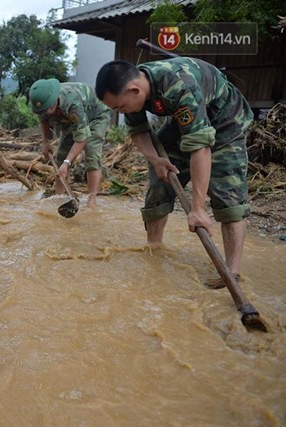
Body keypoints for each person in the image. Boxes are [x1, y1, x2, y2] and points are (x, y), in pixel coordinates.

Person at [94, 58, 253, 281]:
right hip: (184, 120)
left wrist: (197, 209)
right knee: (160, 180)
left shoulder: (179, 85)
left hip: (225, 120)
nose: (120, 112)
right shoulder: (130, 94)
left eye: (120, 107)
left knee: (230, 195)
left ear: (134, 90)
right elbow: (138, 131)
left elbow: (200, 147)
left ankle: (231, 272)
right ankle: (154, 249)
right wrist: (156, 159)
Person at [29, 79, 110, 206]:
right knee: (60, 159)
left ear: (53, 103)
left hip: (96, 116)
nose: (44, 114)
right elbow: (44, 120)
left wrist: (68, 162)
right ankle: (59, 199)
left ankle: (92, 200)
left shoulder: (72, 102)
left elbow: (82, 137)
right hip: (70, 120)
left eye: (47, 111)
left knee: (92, 152)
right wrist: (45, 142)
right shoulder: (43, 103)